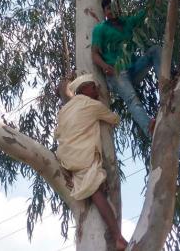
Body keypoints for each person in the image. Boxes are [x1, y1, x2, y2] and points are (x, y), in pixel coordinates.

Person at [55, 74, 128, 251]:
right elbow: (114, 119)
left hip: (65, 158)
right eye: (93, 87)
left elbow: (57, 133)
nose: (96, 90)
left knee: (90, 184)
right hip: (83, 158)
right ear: (83, 89)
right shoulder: (92, 106)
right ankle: (118, 237)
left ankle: (77, 178)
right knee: (97, 194)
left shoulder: (64, 110)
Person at [91, 0, 161, 137]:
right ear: (104, 12)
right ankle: (150, 130)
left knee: (156, 50)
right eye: (108, 9)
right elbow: (94, 54)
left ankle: (166, 83)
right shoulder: (100, 29)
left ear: (119, 8)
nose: (111, 11)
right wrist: (105, 66)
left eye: (114, 7)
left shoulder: (128, 23)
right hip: (116, 73)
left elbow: (146, 12)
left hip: (134, 68)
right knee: (132, 99)